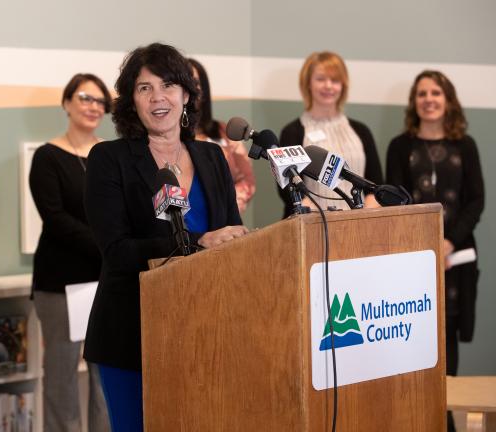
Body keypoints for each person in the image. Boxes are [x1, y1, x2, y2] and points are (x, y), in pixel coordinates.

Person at [83, 43, 248, 431]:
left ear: (187, 95)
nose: (158, 97)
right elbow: (117, 251)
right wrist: (198, 242)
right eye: (144, 88)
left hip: (207, 332)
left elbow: (232, 236)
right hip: (131, 334)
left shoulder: (211, 157)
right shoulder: (109, 159)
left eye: (169, 85)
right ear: (132, 102)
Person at [386, 70, 484, 431]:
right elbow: (395, 200)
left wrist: (448, 241)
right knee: (411, 338)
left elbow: (476, 201)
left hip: (455, 260)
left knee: (449, 340)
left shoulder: (466, 145)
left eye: (436, 93)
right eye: (422, 93)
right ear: (415, 102)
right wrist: (424, 246)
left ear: (448, 101)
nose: (429, 99)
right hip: (412, 260)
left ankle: (445, 420)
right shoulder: (400, 146)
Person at [29, 73, 111, 432]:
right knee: (62, 380)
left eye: (100, 101)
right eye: (85, 98)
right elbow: (56, 218)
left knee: (105, 380)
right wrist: (109, 244)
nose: (93, 106)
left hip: (106, 281)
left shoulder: (109, 155)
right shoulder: (48, 156)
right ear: (66, 103)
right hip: (61, 283)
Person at [277, 51, 383, 217]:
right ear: (308, 84)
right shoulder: (292, 132)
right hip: (313, 226)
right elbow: (288, 188)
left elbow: (375, 185)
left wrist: (364, 218)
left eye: (334, 80)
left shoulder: (361, 131)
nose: (328, 86)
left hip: (361, 227)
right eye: (320, 79)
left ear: (343, 85)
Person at [187, 58, 256, 213]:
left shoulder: (224, 132)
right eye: (184, 84)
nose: (190, 91)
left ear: (204, 91)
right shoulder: (165, 136)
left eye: (195, 84)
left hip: (225, 222)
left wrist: (225, 209)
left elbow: (246, 180)